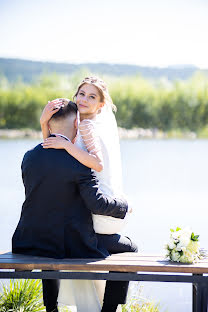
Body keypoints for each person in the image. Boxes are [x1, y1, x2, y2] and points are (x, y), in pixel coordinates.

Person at [12, 101, 137, 312]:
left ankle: (51, 309)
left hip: (30, 239)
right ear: (77, 127)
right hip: (70, 242)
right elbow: (96, 204)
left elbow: (49, 169)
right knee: (130, 248)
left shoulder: (29, 157)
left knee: (48, 254)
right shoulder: (80, 163)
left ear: (49, 125)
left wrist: (44, 126)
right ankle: (109, 310)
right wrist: (124, 206)